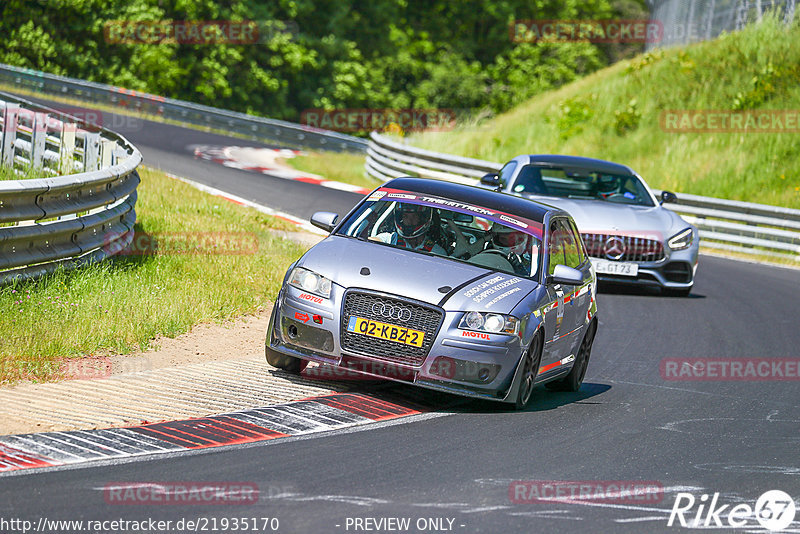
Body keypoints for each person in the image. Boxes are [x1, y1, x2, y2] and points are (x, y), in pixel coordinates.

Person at [374, 202, 447, 255]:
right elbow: (367, 244)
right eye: (405, 216)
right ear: (400, 218)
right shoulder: (389, 239)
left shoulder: (437, 252)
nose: (409, 221)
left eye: (414, 216)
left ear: (423, 219)